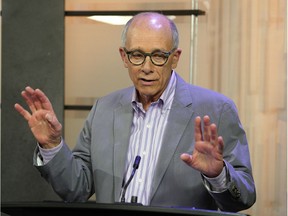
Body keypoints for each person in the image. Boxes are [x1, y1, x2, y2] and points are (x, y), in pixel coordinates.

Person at [14, 12, 256, 212]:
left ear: (175, 58)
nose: (147, 68)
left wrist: (219, 175)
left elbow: (244, 197)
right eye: (138, 55)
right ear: (124, 56)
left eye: (159, 56)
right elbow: (76, 188)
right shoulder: (104, 109)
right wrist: (53, 146)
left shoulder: (216, 110)